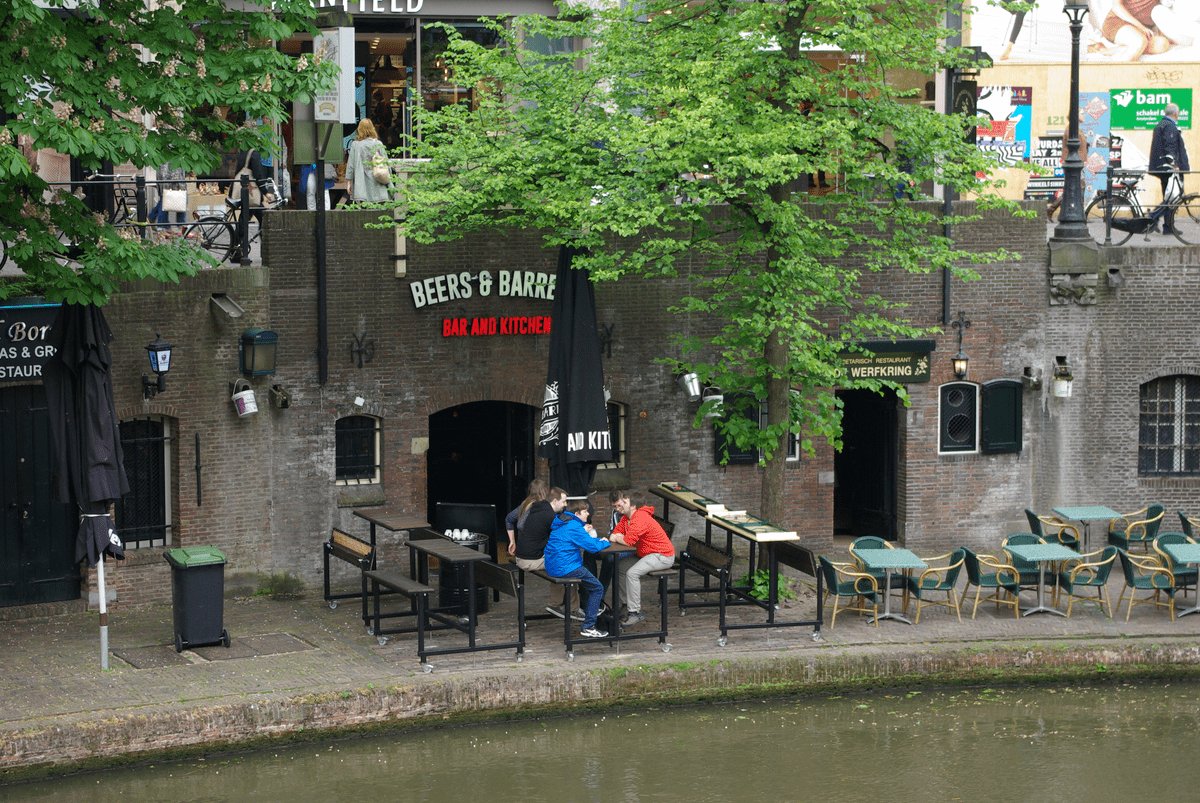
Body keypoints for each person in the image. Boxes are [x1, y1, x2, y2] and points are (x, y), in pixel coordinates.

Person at [544, 498, 611, 638]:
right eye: (585, 511)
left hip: (554, 566)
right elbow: (592, 548)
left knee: (588, 578)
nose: (588, 514)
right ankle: (589, 626)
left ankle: (588, 613)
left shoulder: (563, 522)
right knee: (597, 588)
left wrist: (596, 540)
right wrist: (605, 542)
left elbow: (585, 541)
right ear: (577, 513)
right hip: (566, 567)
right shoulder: (574, 526)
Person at [609, 492, 675, 627]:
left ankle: (635, 613)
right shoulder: (626, 518)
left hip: (662, 555)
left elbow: (628, 541)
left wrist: (617, 537)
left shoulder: (640, 517)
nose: (621, 505)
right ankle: (626, 604)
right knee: (620, 567)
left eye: (624, 502)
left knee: (632, 573)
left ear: (633, 506)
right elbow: (613, 534)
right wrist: (616, 536)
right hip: (646, 554)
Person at [1149, 102, 1189, 234]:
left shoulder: (1161, 124)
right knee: (1173, 197)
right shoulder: (1169, 126)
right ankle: (1153, 218)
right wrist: (1175, 165)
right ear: (1175, 113)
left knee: (1170, 197)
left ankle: (1167, 226)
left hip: (1161, 167)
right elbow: (1170, 146)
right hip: (1168, 168)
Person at [345, 118, 390, 203]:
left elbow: (351, 165)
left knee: (364, 208)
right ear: (372, 128)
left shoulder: (355, 145)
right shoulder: (378, 144)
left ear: (359, 129)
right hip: (378, 181)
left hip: (361, 183)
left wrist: (348, 181)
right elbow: (386, 163)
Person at [505, 478, 549, 559]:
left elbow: (509, 519)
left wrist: (512, 541)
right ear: (545, 491)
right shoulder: (542, 507)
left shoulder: (525, 504)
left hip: (521, 552)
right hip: (535, 555)